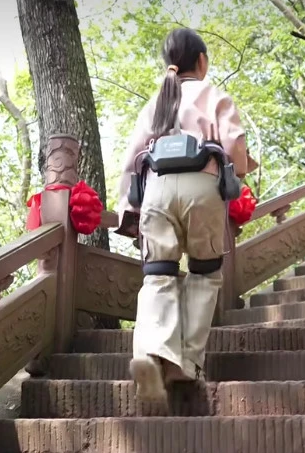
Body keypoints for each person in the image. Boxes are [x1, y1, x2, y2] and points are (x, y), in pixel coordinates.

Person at [116, 27, 257, 401]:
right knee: (204, 274)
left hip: (157, 191)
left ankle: (150, 350)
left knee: (158, 275)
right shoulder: (215, 96)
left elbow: (131, 161)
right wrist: (241, 168)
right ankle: (185, 362)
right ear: (202, 61)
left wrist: (127, 210)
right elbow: (236, 153)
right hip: (201, 187)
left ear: (169, 65)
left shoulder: (156, 103)